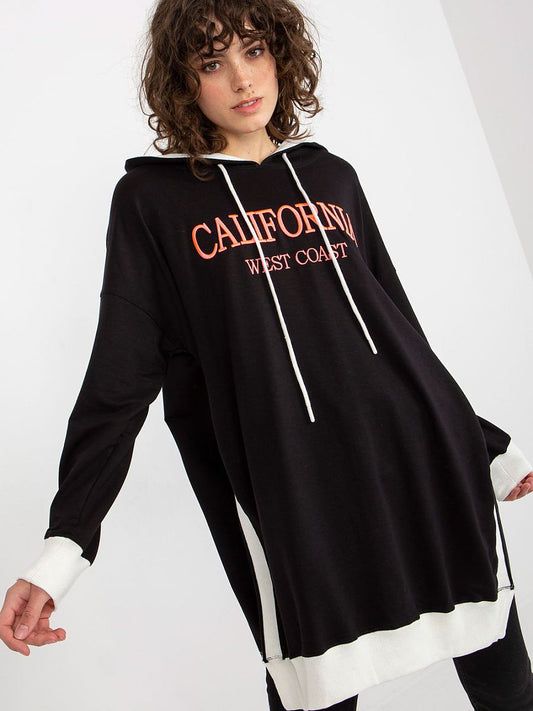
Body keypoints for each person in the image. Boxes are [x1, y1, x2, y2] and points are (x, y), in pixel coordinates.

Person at [1, 1, 533, 709]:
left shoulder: (332, 176)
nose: (242, 79)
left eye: (254, 51)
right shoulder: (152, 202)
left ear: (282, 54)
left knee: (505, 682)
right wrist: (63, 548)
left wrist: (481, 443)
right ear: (182, 82)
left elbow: (398, 331)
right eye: (211, 62)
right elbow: (117, 381)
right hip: (292, 494)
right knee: (315, 688)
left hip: (420, 463)